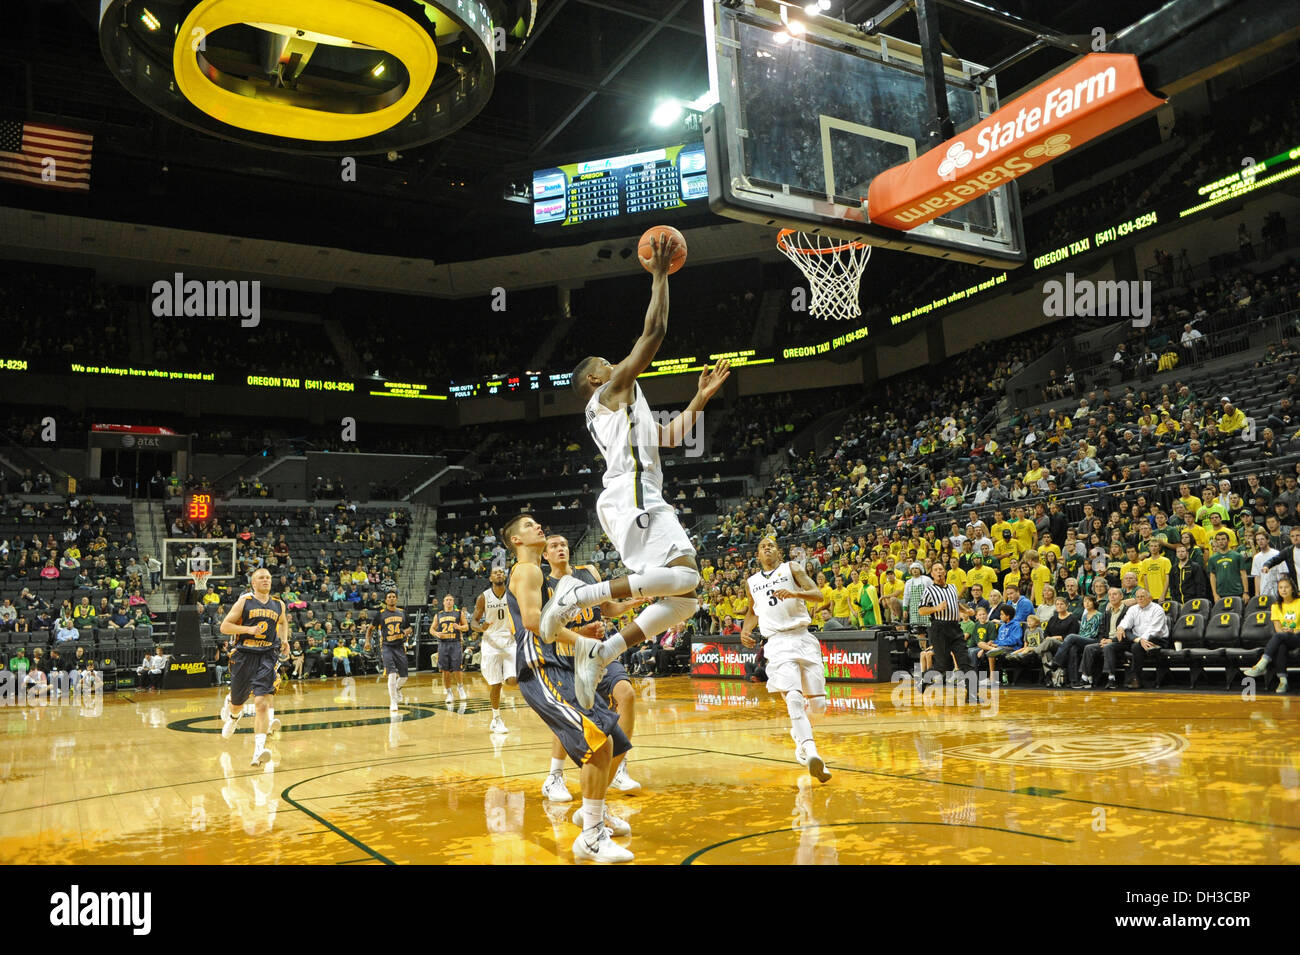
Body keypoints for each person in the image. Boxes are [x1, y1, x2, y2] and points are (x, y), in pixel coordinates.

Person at [545, 234, 731, 710]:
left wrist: (700, 399)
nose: (616, 364)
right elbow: (654, 333)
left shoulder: (626, 403)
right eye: (608, 363)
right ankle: (577, 596)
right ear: (594, 378)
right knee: (687, 580)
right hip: (633, 495)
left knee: (686, 598)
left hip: (634, 494)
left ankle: (603, 651)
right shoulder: (608, 393)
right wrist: (659, 276)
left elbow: (668, 439)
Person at [501, 513, 635, 863]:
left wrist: (581, 636)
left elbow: (551, 624)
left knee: (613, 740)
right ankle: (590, 836)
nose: (538, 527)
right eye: (529, 525)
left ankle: (593, 813)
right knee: (595, 739)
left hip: (557, 660)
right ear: (516, 540)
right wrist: (583, 643)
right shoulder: (527, 570)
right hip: (539, 666)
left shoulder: (542, 576)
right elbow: (533, 622)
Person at [540, 535, 645, 799]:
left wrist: (627, 606)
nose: (560, 548)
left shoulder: (588, 572)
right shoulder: (544, 585)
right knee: (570, 718)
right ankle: (554, 777)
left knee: (626, 694)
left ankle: (619, 767)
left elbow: (605, 608)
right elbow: (546, 628)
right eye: (553, 546)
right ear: (545, 555)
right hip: (565, 658)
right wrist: (582, 631)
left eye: (564, 544)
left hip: (598, 654)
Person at [741, 537, 832, 783]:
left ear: (778, 552)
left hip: (803, 637)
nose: (767, 547)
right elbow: (752, 610)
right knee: (793, 696)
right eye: (762, 546)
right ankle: (811, 752)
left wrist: (794, 592)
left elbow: (818, 594)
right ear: (757, 555)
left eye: (771, 544)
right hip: (777, 642)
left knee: (818, 707)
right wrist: (745, 630)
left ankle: (798, 733)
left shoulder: (792, 568)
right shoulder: (752, 582)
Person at [219, 568, 288, 767]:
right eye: (261, 577)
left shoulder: (278, 604)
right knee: (238, 701)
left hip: (267, 655)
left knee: (262, 704)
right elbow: (225, 627)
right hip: (244, 655)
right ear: (253, 583)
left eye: (268, 577)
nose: (265, 580)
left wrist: (284, 640)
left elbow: (283, 622)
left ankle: (259, 751)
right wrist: (248, 629)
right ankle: (233, 714)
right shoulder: (245, 602)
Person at [472, 568, 515, 734]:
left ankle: (506, 674)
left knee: (512, 681)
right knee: (495, 684)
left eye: (501, 572)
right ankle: (496, 718)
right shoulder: (483, 597)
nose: (499, 574)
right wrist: (480, 628)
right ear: (490, 578)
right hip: (490, 642)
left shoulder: (512, 594)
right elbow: (473, 622)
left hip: (509, 640)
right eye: (495, 572)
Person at [1242, 575, 1300, 693]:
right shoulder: (1275, 606)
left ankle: (1262, 664)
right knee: (1281, 645)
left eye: (1286, 587)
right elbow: (1278, 628)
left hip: (1298, 635)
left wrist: (1294, 631)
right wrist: (1286, 632)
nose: (1283, 590)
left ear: (1292, 589)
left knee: (1280, 638)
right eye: (1280, 588)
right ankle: (1283, 681)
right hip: (1285, 636)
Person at [1115, 588, 1169, 689]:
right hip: (1138, 639)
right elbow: (1126, 621)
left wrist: (1142, 640)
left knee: (1136, 647)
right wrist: (1120, 627)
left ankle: (1136, 679)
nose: (1140, 599)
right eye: (1138, 597)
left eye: (1142, 597)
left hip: (1157, 639)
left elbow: (1154, 629)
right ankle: (1112, 678)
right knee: (1122, 634)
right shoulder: (1133, 609)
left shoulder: (1157, 609)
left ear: (1150, 598)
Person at [371, 590, 411, 713]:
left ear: (397, 599)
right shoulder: (380, 614)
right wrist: (367, 641)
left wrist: (406, 632)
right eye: (389, 597)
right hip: (387, 647)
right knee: (392, 674)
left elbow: (409, 628)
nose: (392, 599)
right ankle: (393, 701)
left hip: (400, 646)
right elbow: (370, 628)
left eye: (394, 597)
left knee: (404, 677)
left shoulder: (403, 613)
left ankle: (397, 689)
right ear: (386, 600)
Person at [430, 594, 469, 704]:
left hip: (455, 643)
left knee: (457, 668)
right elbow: (431, 629)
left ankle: (460, 688)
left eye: (451, 600)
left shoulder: (458, 613)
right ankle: (449, 693)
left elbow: (466, 627)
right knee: (445, 671)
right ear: (443, 602)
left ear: (453, 602)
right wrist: (437, 633)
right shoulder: (438, 615)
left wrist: (459, 627)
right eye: (446, 600)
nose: (448, 602)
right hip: (443, 644)